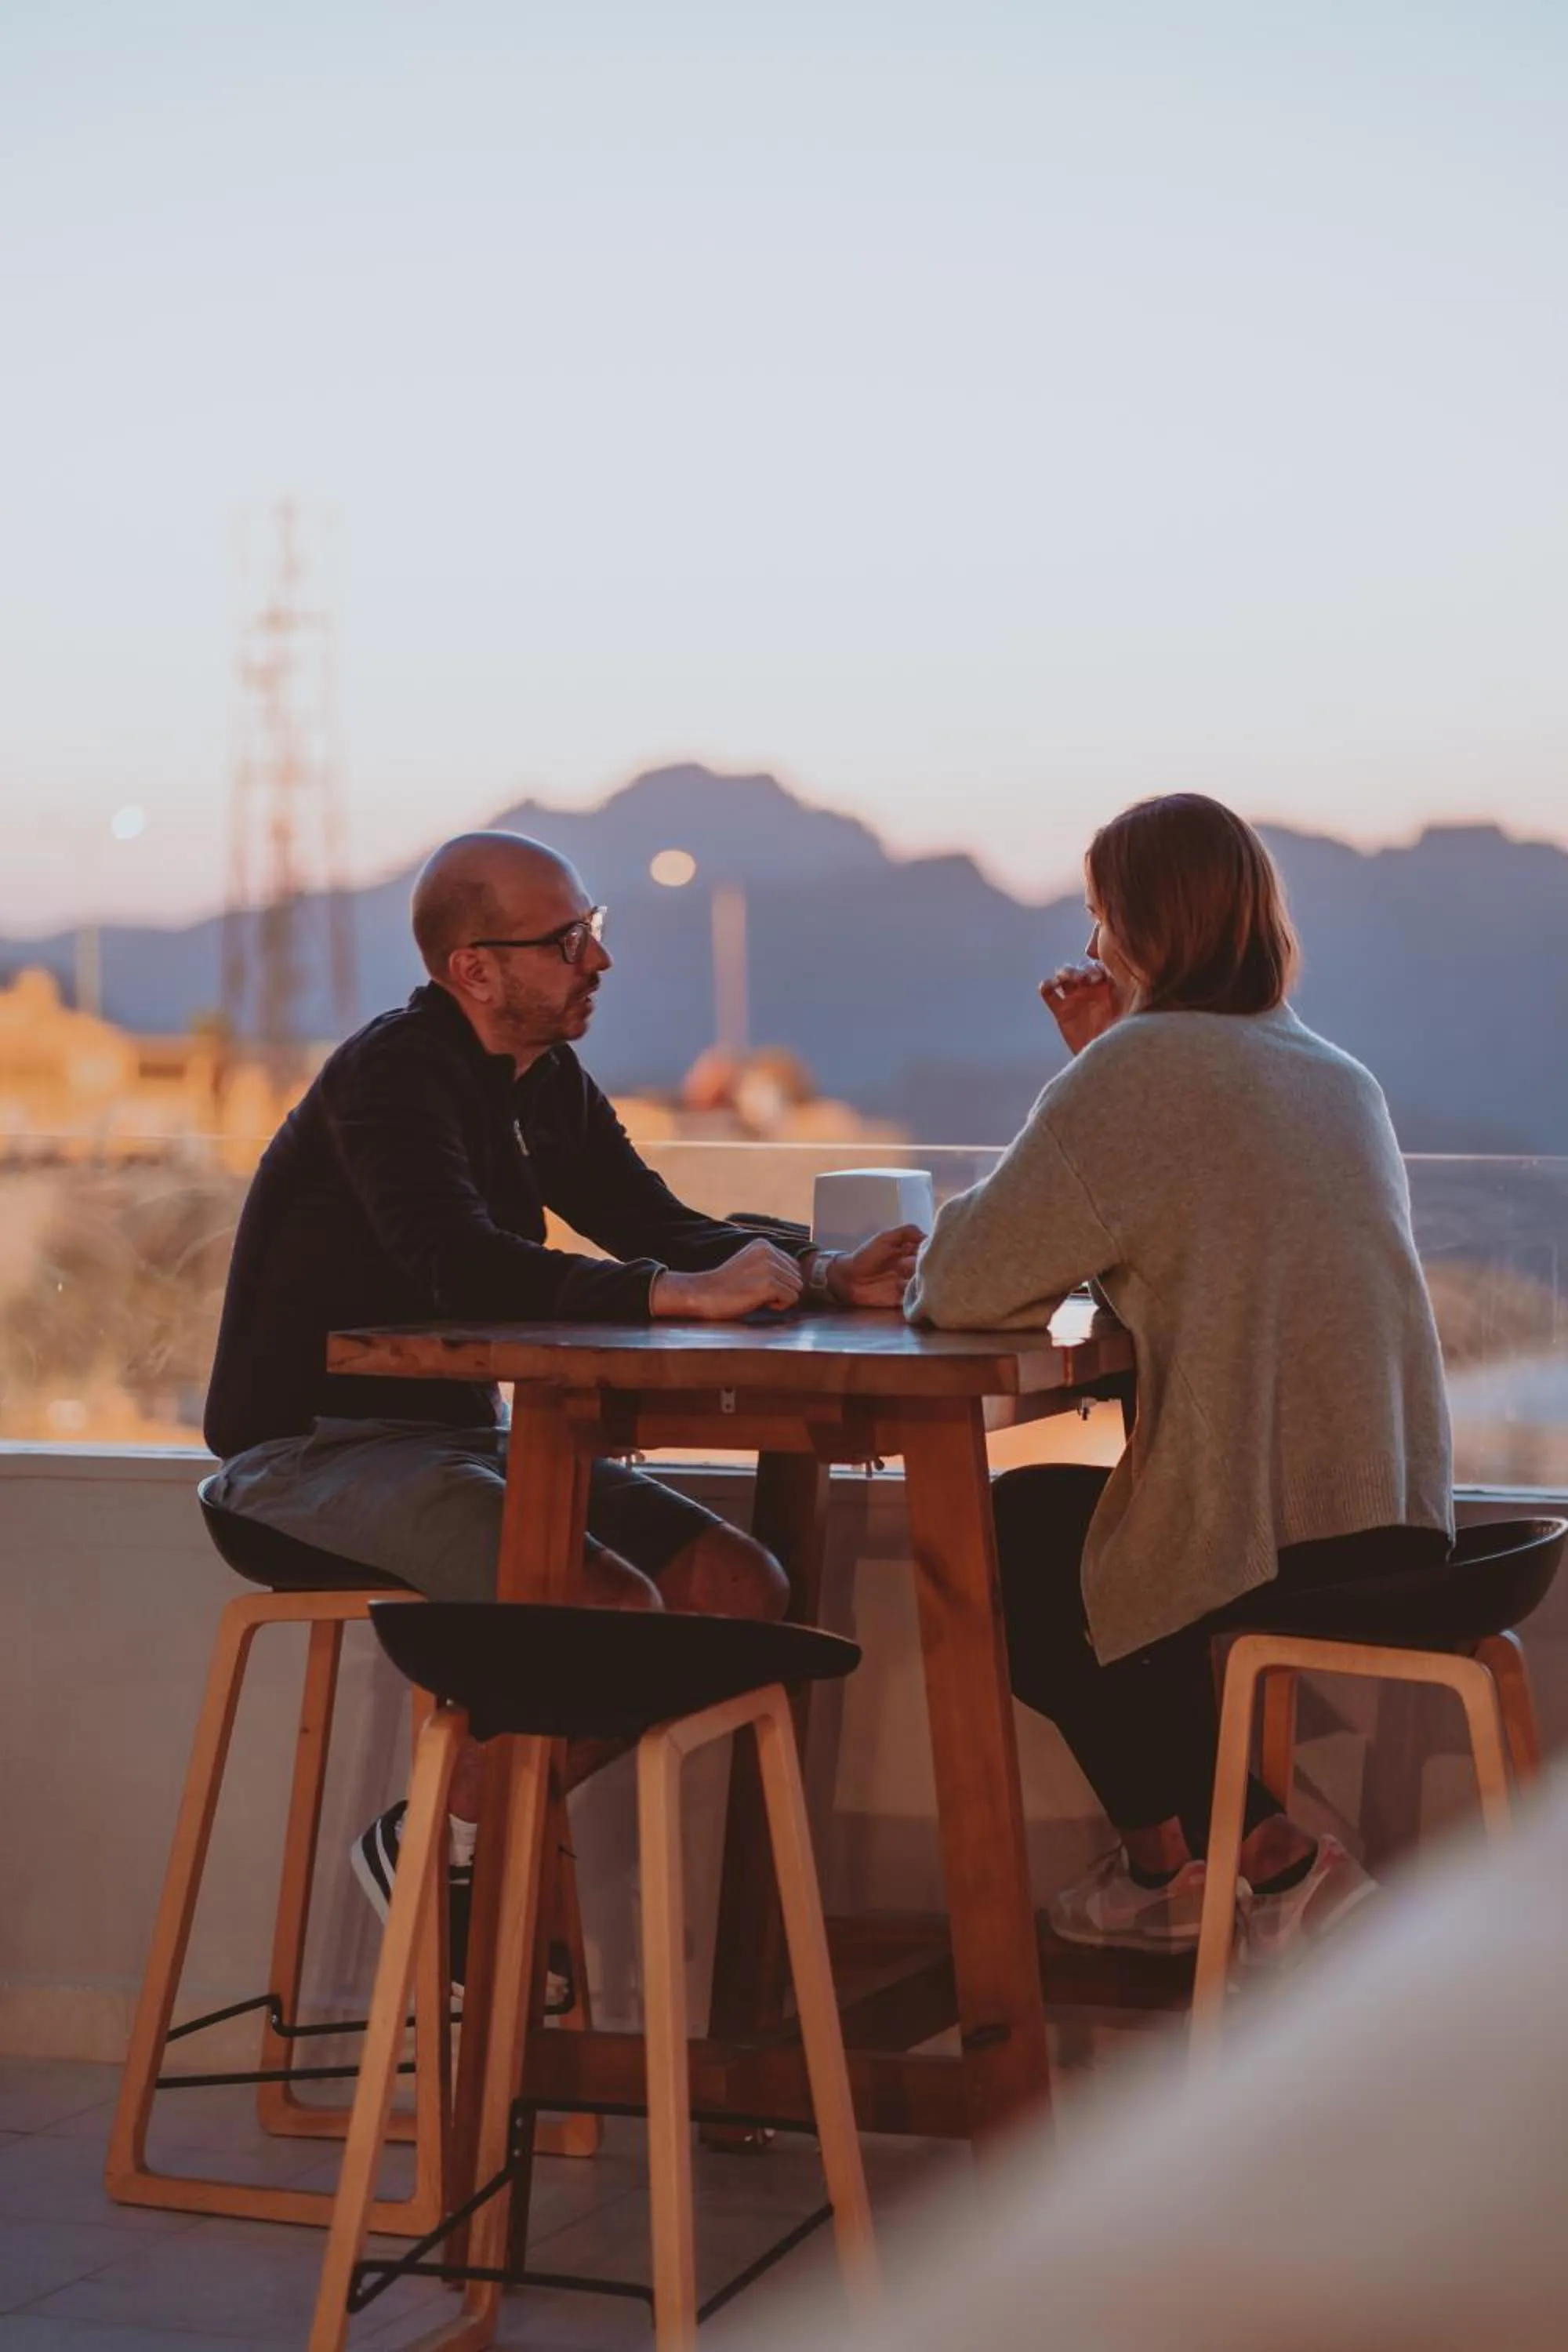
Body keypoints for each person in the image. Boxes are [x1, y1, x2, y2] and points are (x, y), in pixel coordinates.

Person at [205, 830, 921, 1975]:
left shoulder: (544, 1082)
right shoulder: (395, 1075)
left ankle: (451, 1831)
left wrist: (827, 1272)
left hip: (468, 1444)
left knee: (740, 1589)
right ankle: (457, 1846)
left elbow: (655, 1221)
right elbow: (456, 1261)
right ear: (474, 970)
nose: (599, 961)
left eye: (593, 932)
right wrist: (667, 1294)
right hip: (310, 1454)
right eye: (567, 941)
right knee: (607, 1606)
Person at [906, 793, 1453, 1962]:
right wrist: (1107, 1066)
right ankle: (1180, 1869)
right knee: (1050, 1534)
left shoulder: (1143, 1069)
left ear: (1147, 928)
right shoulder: (1332, 1071)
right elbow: (1192, 1205)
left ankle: (1261, 1862)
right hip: (1398, 1513)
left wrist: (1103, 1069)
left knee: (996, 1543)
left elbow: (961, 1285)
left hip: (1274, 1529)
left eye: (1102, 915)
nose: (1092, 944)